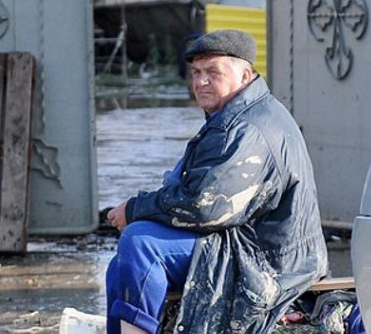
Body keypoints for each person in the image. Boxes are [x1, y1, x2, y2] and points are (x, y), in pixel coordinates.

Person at [105, 29, 328, 334]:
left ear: (245, 76)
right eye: (196, 72)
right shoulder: (236, 114)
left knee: (141, 244)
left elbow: (206, 208)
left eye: (213, 72)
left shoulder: (248, 127)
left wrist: (134, 208)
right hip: (245, 239)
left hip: (269, 257)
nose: (200, 81)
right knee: (120, 265)